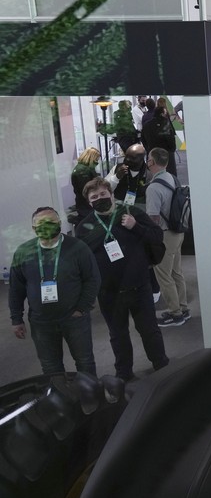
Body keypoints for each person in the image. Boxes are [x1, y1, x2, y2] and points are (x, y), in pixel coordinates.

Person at [75, 177, 168, 381]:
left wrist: (136, 227)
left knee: (150, 331)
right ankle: (124, 374)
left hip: (140, 286)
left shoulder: (131, 213)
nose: (100, 198)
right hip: (109, 293)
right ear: (89, 202)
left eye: (103, 194)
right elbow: (82, 260)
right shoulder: (84, 227)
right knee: (118, 336)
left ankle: (162, 365)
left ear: (111, 193)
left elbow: (157, 236)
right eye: (94, 197)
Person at [9, 207, 99, 375]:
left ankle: (91, 398)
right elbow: (16, 289)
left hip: (74, 319)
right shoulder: (24, 252)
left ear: (59, 223)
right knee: (50, 367)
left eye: (52, 221)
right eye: (41, 223)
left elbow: (92, 279)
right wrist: (16, 319)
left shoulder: (78, 248)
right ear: (34, 228)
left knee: (85, 361)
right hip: (41, 322)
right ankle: (60, 398)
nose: (47, 225)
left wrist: (81, 308)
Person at [145, 147, 190, 327]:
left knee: (164, 276)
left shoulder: (154, 188)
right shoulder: (172, 178)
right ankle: (183, 308)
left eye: (148, 158)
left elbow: (153, 218)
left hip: (164, 236)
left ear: (152, 162)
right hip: (178, 232)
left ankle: (175, 313)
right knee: (176, 273)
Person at [106, 143, 149, 207]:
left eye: (132, 158)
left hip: (140, 207)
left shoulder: (149, 171)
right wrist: (116, 177)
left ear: (141, 159)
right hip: (118, 205)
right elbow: (105, 188)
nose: (127, 159)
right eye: (126, 156)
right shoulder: (117, 168)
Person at [142, 105, 177, 175]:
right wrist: (172, 149)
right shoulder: (165, 123)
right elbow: (170, 139)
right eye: (165, 113)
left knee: (153, 174)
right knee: (169, 175)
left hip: (152, 153)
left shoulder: (146, 125)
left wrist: (148, 149)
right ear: (162, 113)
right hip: (165, 154)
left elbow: (143, 139)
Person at [71, 147, 101, 224]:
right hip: (86, 204)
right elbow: (86, 189)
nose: (97, 162)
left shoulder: (83, 168)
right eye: (96, 159)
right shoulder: (83, 171)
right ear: (91, 158)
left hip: (84, 202)